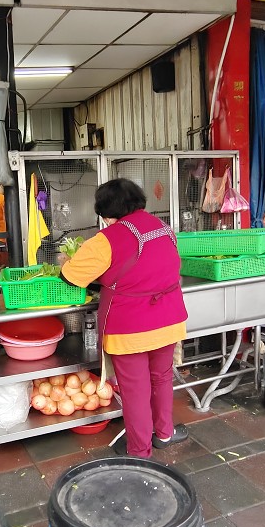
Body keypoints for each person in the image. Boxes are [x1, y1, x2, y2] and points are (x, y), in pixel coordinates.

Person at [57, 178, 188, 459]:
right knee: (162, 377)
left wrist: (63, 262)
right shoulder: (166, 229)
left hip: (130, 328)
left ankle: (140, 452)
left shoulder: (107, 239)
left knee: (135, 389)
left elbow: (71, 277)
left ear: (105, 213)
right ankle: (164, 433)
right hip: (169, 319)